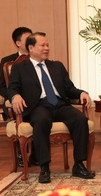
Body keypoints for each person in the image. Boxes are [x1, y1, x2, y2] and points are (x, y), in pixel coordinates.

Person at [7, 32, 95, 183]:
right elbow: (12, 88)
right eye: (43, 45)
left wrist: (81, 93)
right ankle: (44, 167)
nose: (46, 48)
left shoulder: (57, 66)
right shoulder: (20, 68)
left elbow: (69, 88)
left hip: (59, 104)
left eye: (47, 45)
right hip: (38, 106)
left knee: (80, 119)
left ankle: (79, 165)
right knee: (41, 120)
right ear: (31, 47)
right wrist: (15, 96)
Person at [0, 27, 35, 167]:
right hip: (15, 102)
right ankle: (22, 153)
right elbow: (1, 88)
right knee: (21, 108)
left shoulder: (37, 58)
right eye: (28, 40)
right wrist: (14, 96)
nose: (32, 41)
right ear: (18, 43)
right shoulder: (7, 61)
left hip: (35, 101)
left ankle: (37, 154)